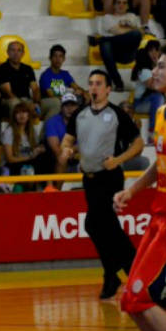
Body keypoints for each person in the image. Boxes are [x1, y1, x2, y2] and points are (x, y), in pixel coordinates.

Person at [113, 44, 166, 331]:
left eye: (163, 66)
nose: (155, 71)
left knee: (142, 297)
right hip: (159, 216)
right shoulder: (163, 112)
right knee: (130, 302)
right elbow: (159, 167)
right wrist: (132, 190)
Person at [60, 69, 143, 299]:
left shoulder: (117, 114)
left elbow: (138, 143)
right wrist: (66, 149)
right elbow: (68, 139)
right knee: (103, 226)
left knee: (96, 223)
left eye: (98, 84)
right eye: (91, 83)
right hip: (89, 178)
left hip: (110, 177)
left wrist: (118, 160)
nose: (94, 88)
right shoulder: (81, 114)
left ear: (108, 89)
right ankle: (123, 271)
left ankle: (125, 271)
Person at [93, 0, 143, 91]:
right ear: (114, 5)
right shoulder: (107, 18)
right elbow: (116, 31)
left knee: (135, 34)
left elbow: (140, 33)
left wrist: (127, 28)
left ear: (128, 6)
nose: (121, 5)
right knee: (105, 45)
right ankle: (118, 83)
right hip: (113, 52)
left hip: (129, 52)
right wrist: (130, 28)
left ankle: (101, 40)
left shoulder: (132, 16)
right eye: (118, 3)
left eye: (124, 3)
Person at [1, 102, 51, 180]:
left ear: (28, 115)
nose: (21, 115)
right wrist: (30, 157)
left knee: (46, 158)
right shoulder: (9, 132)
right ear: (14, 116)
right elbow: (10, 159)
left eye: (24, 112)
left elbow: (35, 150)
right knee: (29, 169)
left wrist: (40, 149)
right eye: (18, 113)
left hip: (29, 163)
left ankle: (49, 187)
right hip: (15, 165)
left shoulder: (31, 131)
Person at [38, 44, 88, 119]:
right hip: (48, 102)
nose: (58, 59)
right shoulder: (45, 75)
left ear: (64, 59)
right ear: (50, 58)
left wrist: (84, 93)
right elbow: (51, 95)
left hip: (63, 102)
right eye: (55, 56)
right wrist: (69, 97)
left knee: (84, 96)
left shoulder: (65, 74)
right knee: (57, 102)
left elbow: (76, 87)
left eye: (60, 56)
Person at [0, 41, 41, 116]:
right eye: (13, 50)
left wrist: (36, 102)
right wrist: (26, 105)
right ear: (8, 52)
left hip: (27, 100)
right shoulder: (1, 69)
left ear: (23, 53)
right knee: (15, 104)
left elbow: (35, 89)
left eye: (19, 50)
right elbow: (8, 93)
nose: (16, 53)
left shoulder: (28, 69)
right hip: (9, 101)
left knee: (53, 103)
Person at [45, 93, 82, 183]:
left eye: (72, 105)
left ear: (77, 107)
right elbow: (56, 149)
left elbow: (87, 143)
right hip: (58, 155)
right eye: (66, 105)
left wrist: (73, 150)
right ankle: (58, 192)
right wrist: (71, 151)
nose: (70, 109)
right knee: (62, 158)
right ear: (61, 108)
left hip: (76, 154)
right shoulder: (52, 122)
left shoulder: (82, 121)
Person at [133, 39, 164, 141]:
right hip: (140, 104)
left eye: (156, 50)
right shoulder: (143, 69)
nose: (154, 53)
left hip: (152, 100)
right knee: (158, 97)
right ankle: (153, 132)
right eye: (151, 51)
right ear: (147, 52)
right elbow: (154, 86)